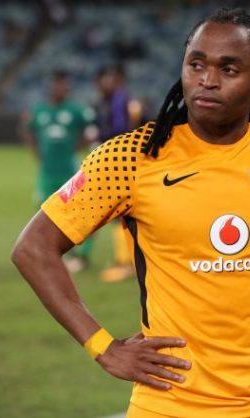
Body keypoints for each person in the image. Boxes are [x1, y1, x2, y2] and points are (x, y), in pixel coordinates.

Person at [12, 8, 250, 418]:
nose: (208, 79)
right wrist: (103, 346)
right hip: (166, 405)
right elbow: (33, 248)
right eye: (196, 64)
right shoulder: (132, 157)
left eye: (229, 69)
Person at [19, 69, 96, 273]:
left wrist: (78, 148)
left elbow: (91, 130)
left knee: (77, 210)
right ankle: (48, 251)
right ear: (51, 86)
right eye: (59, 84)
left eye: (65, 84)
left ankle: (81, 255)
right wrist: (36, 152)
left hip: (70, 171)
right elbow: (27, 129)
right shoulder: (39, 111)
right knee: (43, 211)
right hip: (47, 171)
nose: (63, 88)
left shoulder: (76, 110)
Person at [92, 64, 138, 282]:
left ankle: (125, 263)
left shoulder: (119, 101)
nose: (104, 84)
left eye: (109, 79)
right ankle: (127, 261)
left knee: (120, 213)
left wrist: (98, 137)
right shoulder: (120, 100)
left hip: (122, 161)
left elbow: (120, 131)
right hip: (128, 159)